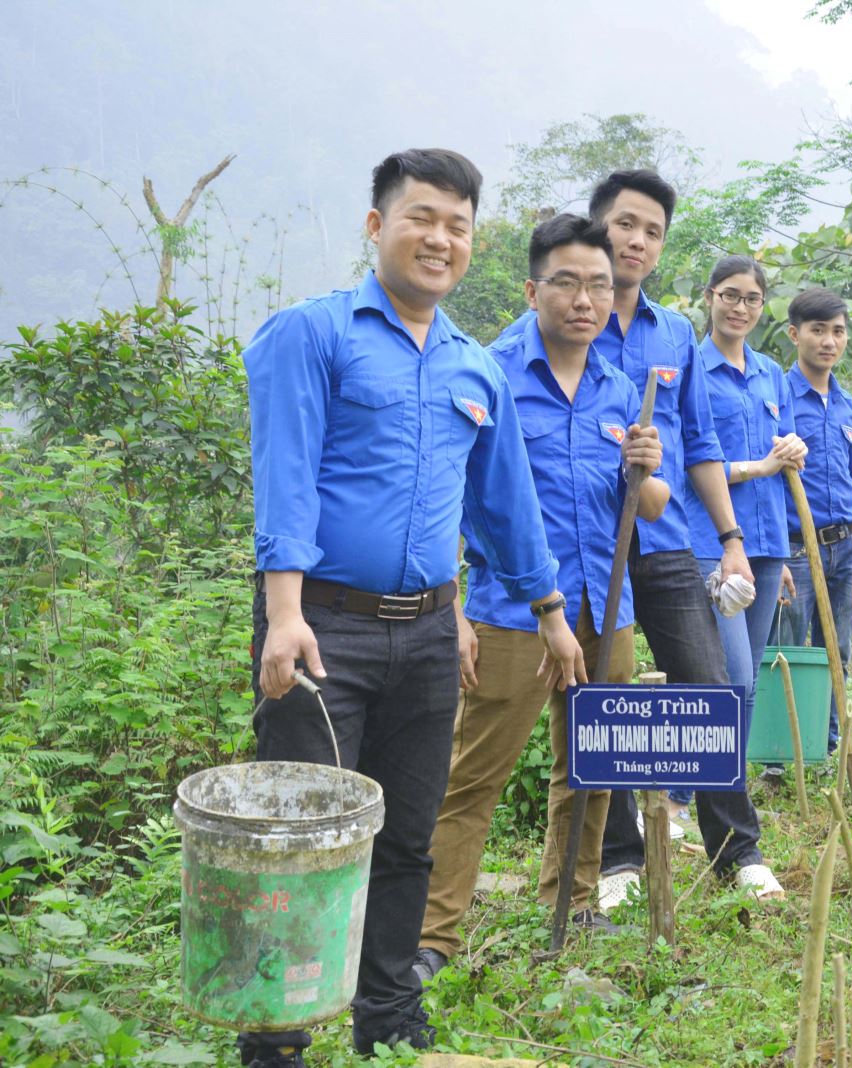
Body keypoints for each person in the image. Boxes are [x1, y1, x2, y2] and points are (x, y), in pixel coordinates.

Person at [240, 149, 582, 1068]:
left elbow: (506, 502)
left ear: (473, 240)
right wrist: (283, 614)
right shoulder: (312, 335)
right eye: (420, 217)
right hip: (323, 626)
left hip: (432, 633)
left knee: (406, 835)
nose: (439, 238)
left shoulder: (476, 367)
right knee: (304, 838)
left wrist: (549, 608)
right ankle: (277, 1035)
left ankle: (389, 1020)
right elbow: (286, 478)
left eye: (457, 224)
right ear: (376, 226)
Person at [414, 214, 668, 985]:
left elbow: (652, 506)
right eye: (567, 282)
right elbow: (446, 498)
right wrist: (452, 607)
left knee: (592, 767)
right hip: (512, 609)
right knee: (475, 774)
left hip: (606, 607)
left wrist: (645, 469)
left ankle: (576, 901)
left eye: (600, 284)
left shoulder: (620, 388)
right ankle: (433, 935)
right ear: (533, 290)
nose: (586, 299)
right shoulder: (486, 374)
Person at [541, 169, 775, 906]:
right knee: (598, 701)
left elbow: (699, 443)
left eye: (653, 232)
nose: (638, 241)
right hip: (584, 548)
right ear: (597, 227)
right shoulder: (555, 317)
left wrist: (731, 536)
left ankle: (738, 849)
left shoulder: (673, 332)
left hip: (667, 538)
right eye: (625, 225)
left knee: (709, 689)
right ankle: (616, 860)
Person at [669, 255, 806, 893]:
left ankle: (693, 790)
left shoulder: (773, 374)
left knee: (739, 684)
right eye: (730, 296)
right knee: (731, 682)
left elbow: (781, 452)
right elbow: (690, 463)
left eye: (752, 299)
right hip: (707, 545)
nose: (741, 308)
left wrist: (790, 452)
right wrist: (757, 466)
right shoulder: (691, 370)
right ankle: (697, 808)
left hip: (767, 545)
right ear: (709, 297)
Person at [773, 287, 852, 756]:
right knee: (788, 651)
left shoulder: (847, 405)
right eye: (818, 330)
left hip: (848, 547)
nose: (829, 341)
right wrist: (776, 553)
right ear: (794, 333)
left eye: (838, 332)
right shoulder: (776, 396)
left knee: (836, 650)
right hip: (797, 549)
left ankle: (829, 744)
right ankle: (783, 752)